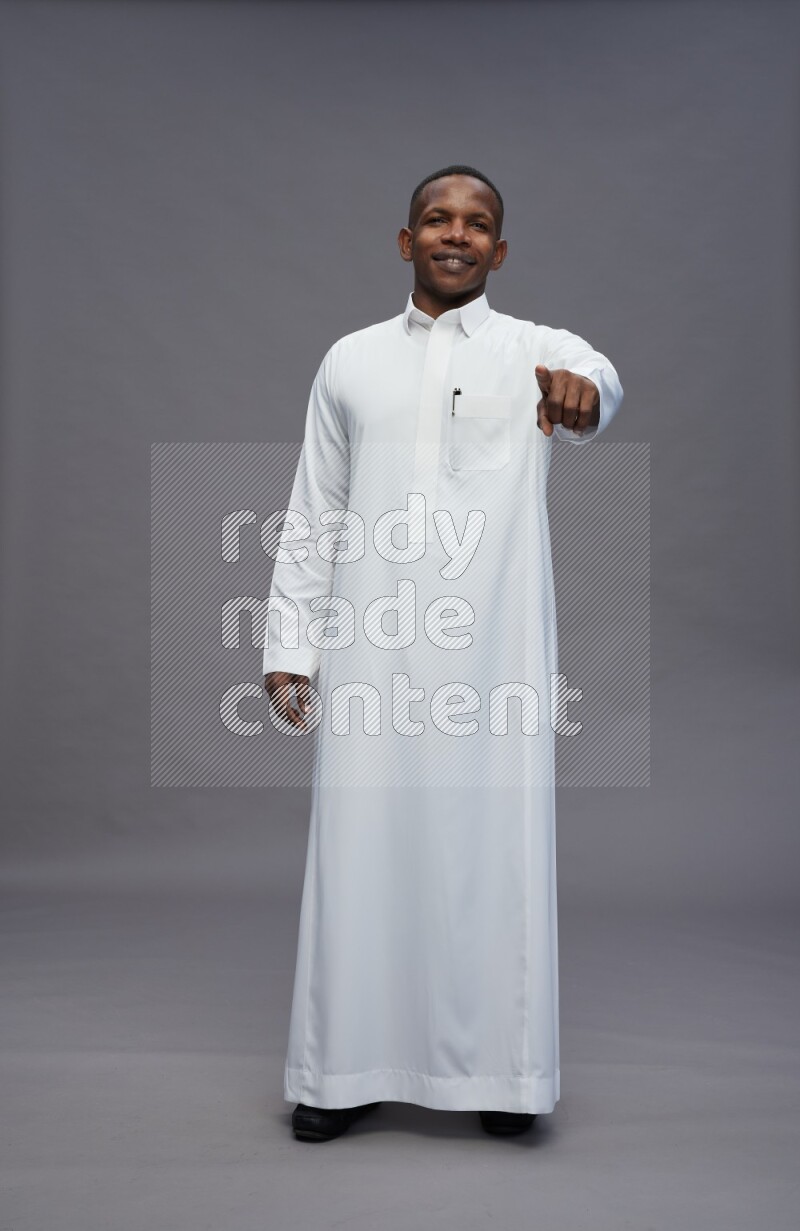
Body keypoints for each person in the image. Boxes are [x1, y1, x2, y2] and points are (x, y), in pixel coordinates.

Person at [263, 165, 623, 1142]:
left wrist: (583, 397)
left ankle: (504, 1076)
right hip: (371, 651)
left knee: (492, 855)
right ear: (406, 240)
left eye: (474, 223)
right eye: (436, 218)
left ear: (497, 251)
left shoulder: (534, 350)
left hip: (493, 659)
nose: (454, 234)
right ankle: (340, 1071)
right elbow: (315, 508)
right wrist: (290, 644)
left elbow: (597, 380)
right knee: (360, 854)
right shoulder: (349, 360)